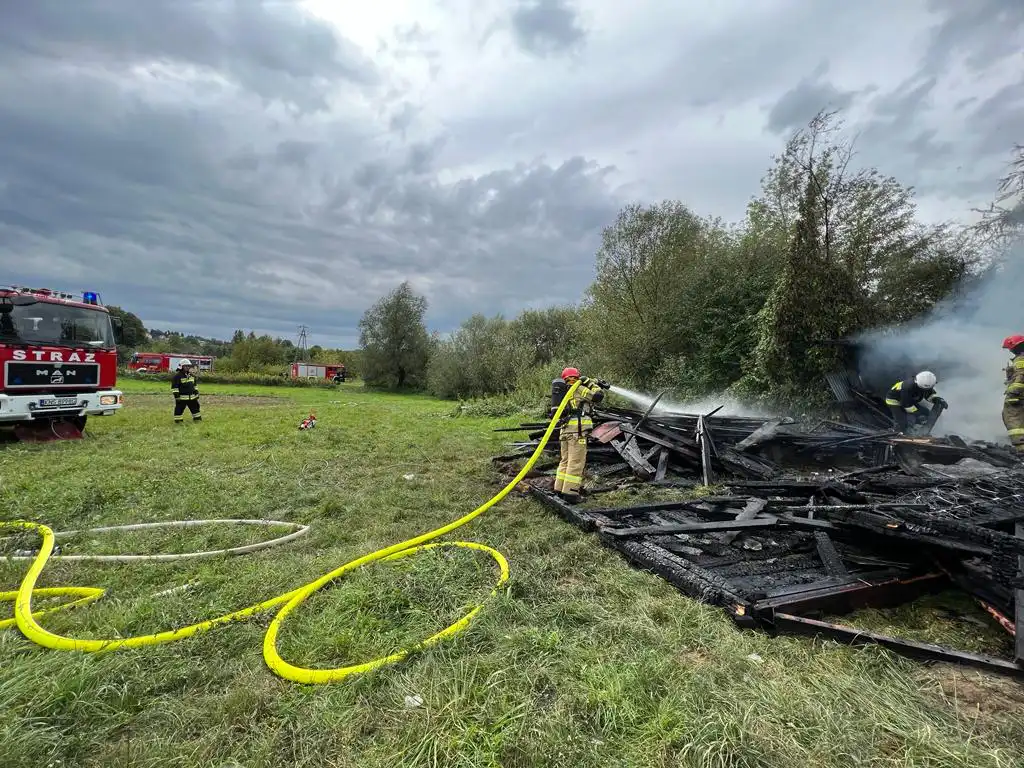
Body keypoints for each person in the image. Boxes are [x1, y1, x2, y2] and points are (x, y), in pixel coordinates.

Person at [550, 367, 610, 503]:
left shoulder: (564, 392)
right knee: (576, 462)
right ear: (576, 377)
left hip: (564, 431)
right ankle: (571, 494)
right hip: (577, 431)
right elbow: (597, 396)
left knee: (565, 461)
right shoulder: (578, 388)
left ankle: (559, 489)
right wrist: (590, 383)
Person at [1002, 335, 1024, 453]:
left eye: (1010, 348)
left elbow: (1021, 376)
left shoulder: (1021, 359)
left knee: (1012, 418)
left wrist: (1013, 393)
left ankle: (1021, 449)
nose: (1010, 350)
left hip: (1018, 396)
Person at [171, 359, 202, 423]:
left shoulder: (191, 376)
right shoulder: (177, 376)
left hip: (192, 397)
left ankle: (197, 419)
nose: (187, 367)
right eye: (186, 366)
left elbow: (195, 385)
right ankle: (178, 421)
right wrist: (177, 396)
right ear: (181, 366)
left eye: (188, 366)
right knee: (179, 409)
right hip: (182, 398)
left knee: (195, 408)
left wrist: (196, 392)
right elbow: (174, 387)